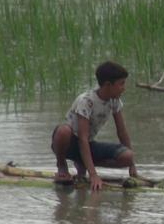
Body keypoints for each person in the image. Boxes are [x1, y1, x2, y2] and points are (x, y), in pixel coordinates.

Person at [51, 61, 139, 191]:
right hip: (71, 143)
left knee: (128, 156)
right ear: (108, 85)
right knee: (63, 130)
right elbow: (82, 138)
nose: (123, 88)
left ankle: (82, 162)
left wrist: (132, 165)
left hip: (88, 144)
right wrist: (93, 175)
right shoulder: (86, 101)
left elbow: (122, 131)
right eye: (121, 84)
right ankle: (61, 164)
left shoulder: (114, 101)